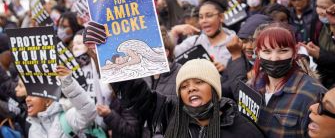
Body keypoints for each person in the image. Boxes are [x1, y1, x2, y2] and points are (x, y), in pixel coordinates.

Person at [110, 59, 264, 138]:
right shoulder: (170, 114)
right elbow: (136, 95)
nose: (191, 88)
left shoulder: (242, 128)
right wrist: (107, 55)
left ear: (214, 88)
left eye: (199, 82)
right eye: (184, 86)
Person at [250, 22, 327, 137]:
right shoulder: (252, 85)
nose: (274, 58)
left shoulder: (313, 94)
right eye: (267, 51)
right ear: (258, 53)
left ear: (294, 52)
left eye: (283, 51)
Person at [171, 0, 236, 72]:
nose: (204, 21)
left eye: (209, 16)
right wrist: (174, 32)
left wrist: (227, 69)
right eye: (201, 17)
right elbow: (167, 56)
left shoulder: (235, 44)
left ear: (221, 17)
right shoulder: (194, 41)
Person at [26, 66, 97, 138]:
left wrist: (68, 84)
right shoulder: (33, 130)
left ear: (47, 101)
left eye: (32, 95)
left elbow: (88, 112)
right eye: (27, 96)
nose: (27, 99)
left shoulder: (67, 118)